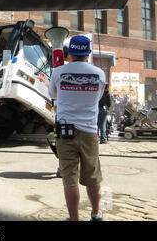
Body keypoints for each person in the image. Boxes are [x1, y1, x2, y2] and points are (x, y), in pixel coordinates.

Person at [48, 35, 105, 221]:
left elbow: (53, 95)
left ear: (69, 53)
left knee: (69, 178)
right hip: (89, 131)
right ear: (88, 53)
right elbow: (97, 98)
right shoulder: (100, 73)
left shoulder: (58, 72)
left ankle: (74, 219)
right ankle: (96, 214)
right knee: (93, 176)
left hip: (65, 132)